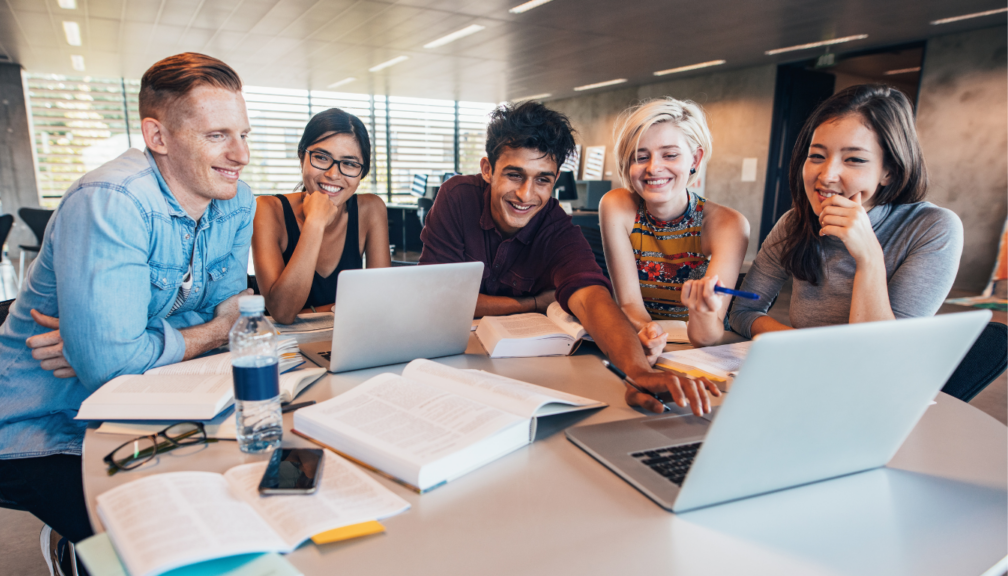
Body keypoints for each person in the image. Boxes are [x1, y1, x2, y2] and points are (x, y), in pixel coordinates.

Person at [0, 53, 255, 573]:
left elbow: (234, 312)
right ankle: (76, 551)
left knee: (241, 504)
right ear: (158, 137)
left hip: (151, 402)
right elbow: (116, 363)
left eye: (244, 133)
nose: (240, 154)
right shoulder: (111, 200)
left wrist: (119, 340)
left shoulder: (235, 200)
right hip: (46, 424)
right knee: (175, 548)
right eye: (218, 135)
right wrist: (208, 330)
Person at [420, 101, 720, 417]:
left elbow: (592, 298)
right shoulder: (457, 197)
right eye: (514, 174)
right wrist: (532, 303)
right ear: (487, 170)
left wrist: (639, 372)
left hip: (518, 371)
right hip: (447, 363)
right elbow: (437, 298)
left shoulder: (555, 225)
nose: (526, 194)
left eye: (542, 180)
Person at [729, 84, 963, 338]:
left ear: (890, 170)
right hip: (807, 370)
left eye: (854, 159)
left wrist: (868, 256)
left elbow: (882, 351)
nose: (827, 175)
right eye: (817, 156)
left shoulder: (932, 227)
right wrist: (800, 348)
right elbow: (743, 312)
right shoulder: (795, 222)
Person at [600, 98, 749, 357]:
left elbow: (707, 337)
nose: (654, 167)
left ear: (695, 158)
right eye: (640, 156)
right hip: (644, 343)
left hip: (702, 353)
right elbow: (630, 304)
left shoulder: (729, 225)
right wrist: (649, 332)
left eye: (670, 155)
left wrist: (701, 311)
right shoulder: (616, 206)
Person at [252, 109, 390, 324]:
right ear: (301, 157)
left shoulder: (370, 209)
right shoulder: (267, 209)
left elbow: (381, 302)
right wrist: (315, 222)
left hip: (351, 338)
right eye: (321, 157)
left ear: (362, 173)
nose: (333, 174)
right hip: (289, 348)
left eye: (350, 163)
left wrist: (309, 312)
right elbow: (282, 312)